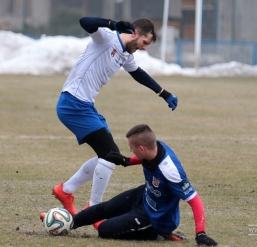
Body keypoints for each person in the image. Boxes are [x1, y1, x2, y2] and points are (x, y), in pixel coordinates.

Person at [52, 16, 178, 215]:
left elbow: (138, 73)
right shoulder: (107, 39)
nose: (144, 48)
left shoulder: (125, 54)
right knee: (110, 155)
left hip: (85, 105)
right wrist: (112, 24)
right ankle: (94, 210)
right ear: (135, 33)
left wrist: (163, 93)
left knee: (108, 156)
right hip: (73, 104)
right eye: (144, 42)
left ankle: (65, 190)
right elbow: (85, 22)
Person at [61, 124, 217, 245]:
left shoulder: (170, 171)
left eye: (132, 149)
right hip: (145, 195)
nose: (131, 150)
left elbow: (195, 200)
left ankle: (158, 235)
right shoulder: (155, 146)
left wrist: (200, 233)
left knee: (104, 230)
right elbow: (145, 158)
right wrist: (126, 161)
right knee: (105, 208)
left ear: (141, 148)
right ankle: (67, 224)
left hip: (156, 218)